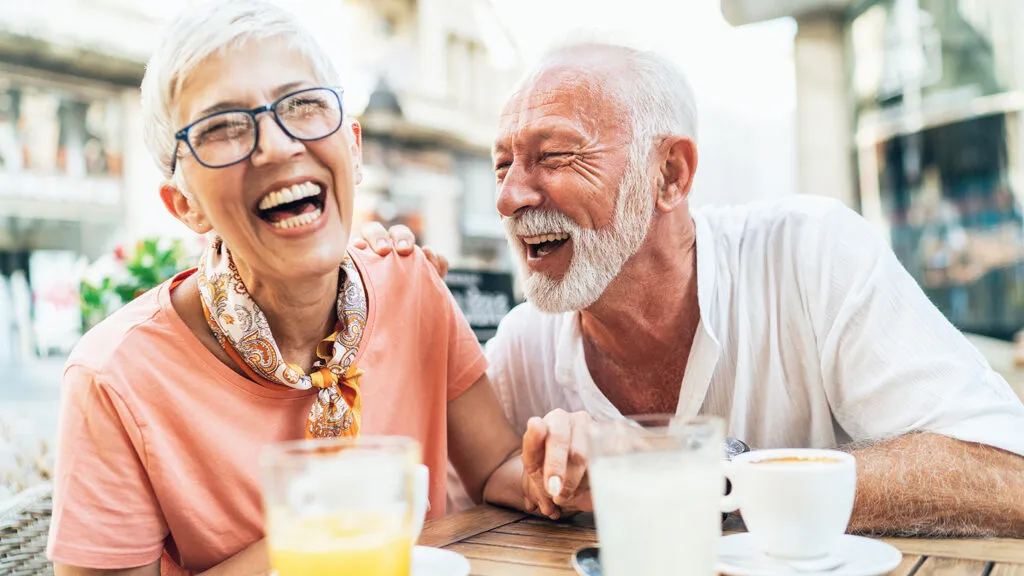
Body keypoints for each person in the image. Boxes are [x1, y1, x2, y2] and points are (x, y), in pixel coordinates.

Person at [364, 41, 1024, 535]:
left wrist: (717, 480)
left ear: (671, 175)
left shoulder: (811, 254)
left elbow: (1005, 472)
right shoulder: (519, 349)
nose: (509, 198)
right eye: (502, 165)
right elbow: (460, 508)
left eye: (555, 156)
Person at [46, 2, 535, 574]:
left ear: (352, 150)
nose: (277, 146)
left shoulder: (411, 284)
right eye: (223, 127)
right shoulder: (114, 377)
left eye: (302, 105)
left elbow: (499, 466)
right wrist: (333, 528)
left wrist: (566, 472)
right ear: (186, 205)